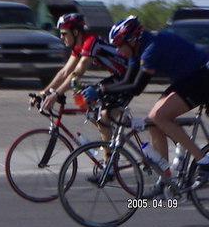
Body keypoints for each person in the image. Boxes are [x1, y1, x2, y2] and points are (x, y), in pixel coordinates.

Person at [83, 15, 209, 197]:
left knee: (160, 116)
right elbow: (127, 80)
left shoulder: (151, 48)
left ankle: (203, 161)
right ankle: (164, 179)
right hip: (187, 78)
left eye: (120, 45)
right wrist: (104, 92)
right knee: (152, 121)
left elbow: (136, 87)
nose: (118, 50)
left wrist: (102, 90)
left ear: (133, 40)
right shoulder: (137, 50)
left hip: (202, 77)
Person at [38, 13, 128, 163]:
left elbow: (77, 73)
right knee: (81, 99)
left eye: (64, 33)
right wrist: (44, 92)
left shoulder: (91, 42)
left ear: (75, 32)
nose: (61, 37)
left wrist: (56, 94)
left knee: (103, 118)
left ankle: (110, 162)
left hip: (128, 78)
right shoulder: (78, 46)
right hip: (118, 77)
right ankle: (111, 137)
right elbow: (64, 72)